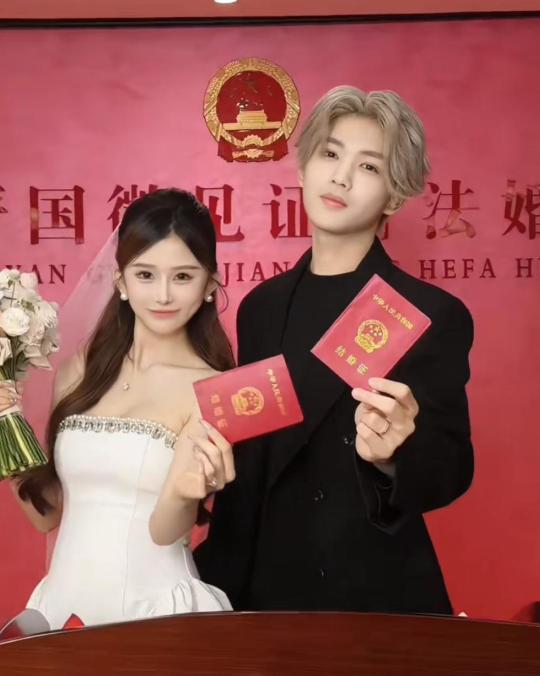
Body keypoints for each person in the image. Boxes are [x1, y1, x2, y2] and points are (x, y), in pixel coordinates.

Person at [195, 86, 475, 615]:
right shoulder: (260, 307)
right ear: (303, 168)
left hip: (365, 593)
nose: (341, 177)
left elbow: (453, 469)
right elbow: (255, 450)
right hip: (254, 590)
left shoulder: (425, 312)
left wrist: (393, 457)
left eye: (368, 167)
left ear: (394, 197)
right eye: (330, 154)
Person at [0, 189, 236, 630]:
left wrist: (185, 493)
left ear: (210, 284)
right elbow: (48, 516)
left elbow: (165, 532)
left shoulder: (210, 389)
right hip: (61, 610)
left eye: (183, 276)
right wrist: (3, 430)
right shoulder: (78, 372)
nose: (163, 295)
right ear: (121, 281)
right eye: (145, 274)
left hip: (156, 615)